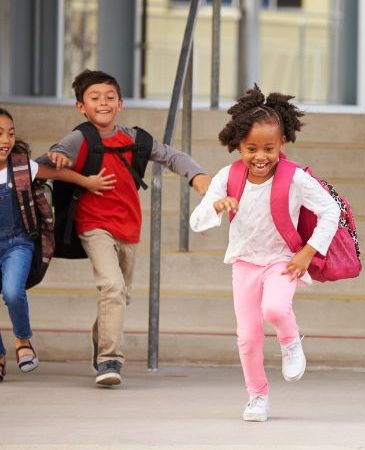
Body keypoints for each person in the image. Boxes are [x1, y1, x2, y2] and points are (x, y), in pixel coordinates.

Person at [38, 69, 212, 387]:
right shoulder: (80, 138)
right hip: (93, 226)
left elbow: (171, 155)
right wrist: (60, 159)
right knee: (113, 288)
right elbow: (44, 163)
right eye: (94, 98)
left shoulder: (134, 139)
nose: (103, 103)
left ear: (120, 103)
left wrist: (196, 175)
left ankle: (99, 335)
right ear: (81, 107)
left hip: (129, 227)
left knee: (121, 295)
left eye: (109, 97)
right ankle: (109, 359)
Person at [190, 86, 339, 422]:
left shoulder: (295, 178)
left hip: (282, 260)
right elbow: (196, 221)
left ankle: (290, 340)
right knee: (247, 337)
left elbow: (331, 210)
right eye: (251, 148)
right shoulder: (228, 176)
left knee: (275, 308)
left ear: (282, 143)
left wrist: (307, 252)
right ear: (238, 144)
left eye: (269, 148)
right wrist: (216, 205)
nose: (260, 156)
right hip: (244, 264)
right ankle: (257, 396)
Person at [0, 107, 115, 382]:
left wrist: (87, 181)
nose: (6, 140)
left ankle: (23, 340)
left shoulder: (21, 165)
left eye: (10, 133)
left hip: (18, 242)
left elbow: (58, 174)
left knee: (13, 292)